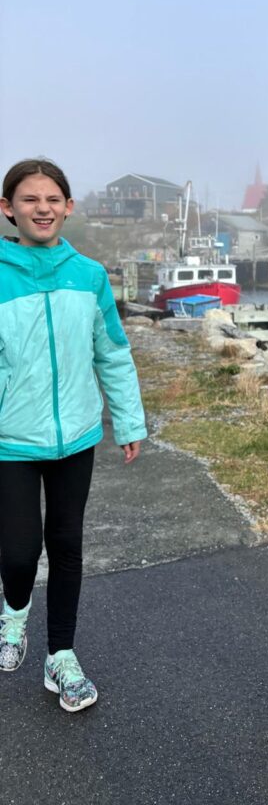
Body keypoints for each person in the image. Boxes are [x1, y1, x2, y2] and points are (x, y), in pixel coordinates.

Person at [0, 158, 146, 712]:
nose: (42, 208)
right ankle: (13, 613)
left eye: (52, 199)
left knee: (66, 547)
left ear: (68, 207)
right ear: (7, 209)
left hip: (77, 435)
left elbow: (111, 352)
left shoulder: (88, 275)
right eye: (29, 199)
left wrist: (128, 421)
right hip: (9, 438)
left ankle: (60, 657)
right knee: (18, 553)